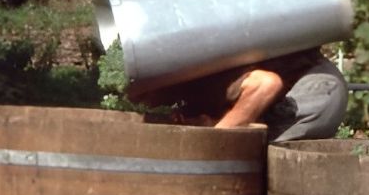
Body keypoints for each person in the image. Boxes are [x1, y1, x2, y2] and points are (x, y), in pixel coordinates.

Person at [144, 48, 348, 143]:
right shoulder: (192, 90)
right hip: (320, 87)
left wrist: (211, 141)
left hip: (315, 93)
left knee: (230, 150)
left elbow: (266, 85)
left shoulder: (204, 82)